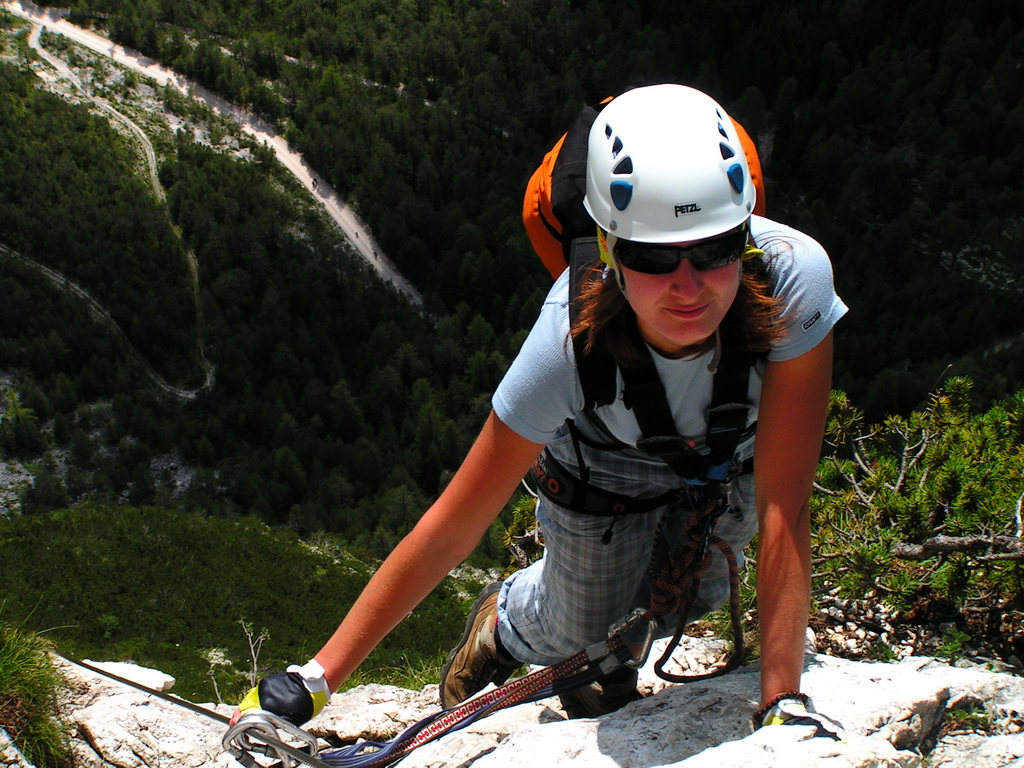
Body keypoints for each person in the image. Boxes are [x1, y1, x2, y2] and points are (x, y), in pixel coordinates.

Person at [234, 83, 847, 732]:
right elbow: (452, 525)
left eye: (716, 248)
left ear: (745, 234)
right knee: (571, 627)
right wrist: (316, 680)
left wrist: (782, 705)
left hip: (731, 456)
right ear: (608, 247)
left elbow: (786, 501)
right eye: (651, 257)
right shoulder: (569, 337)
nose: (688, 286)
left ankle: (598, 671)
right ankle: (505, 622)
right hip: (605, 464)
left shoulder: (792, 281)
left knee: (684, 603)